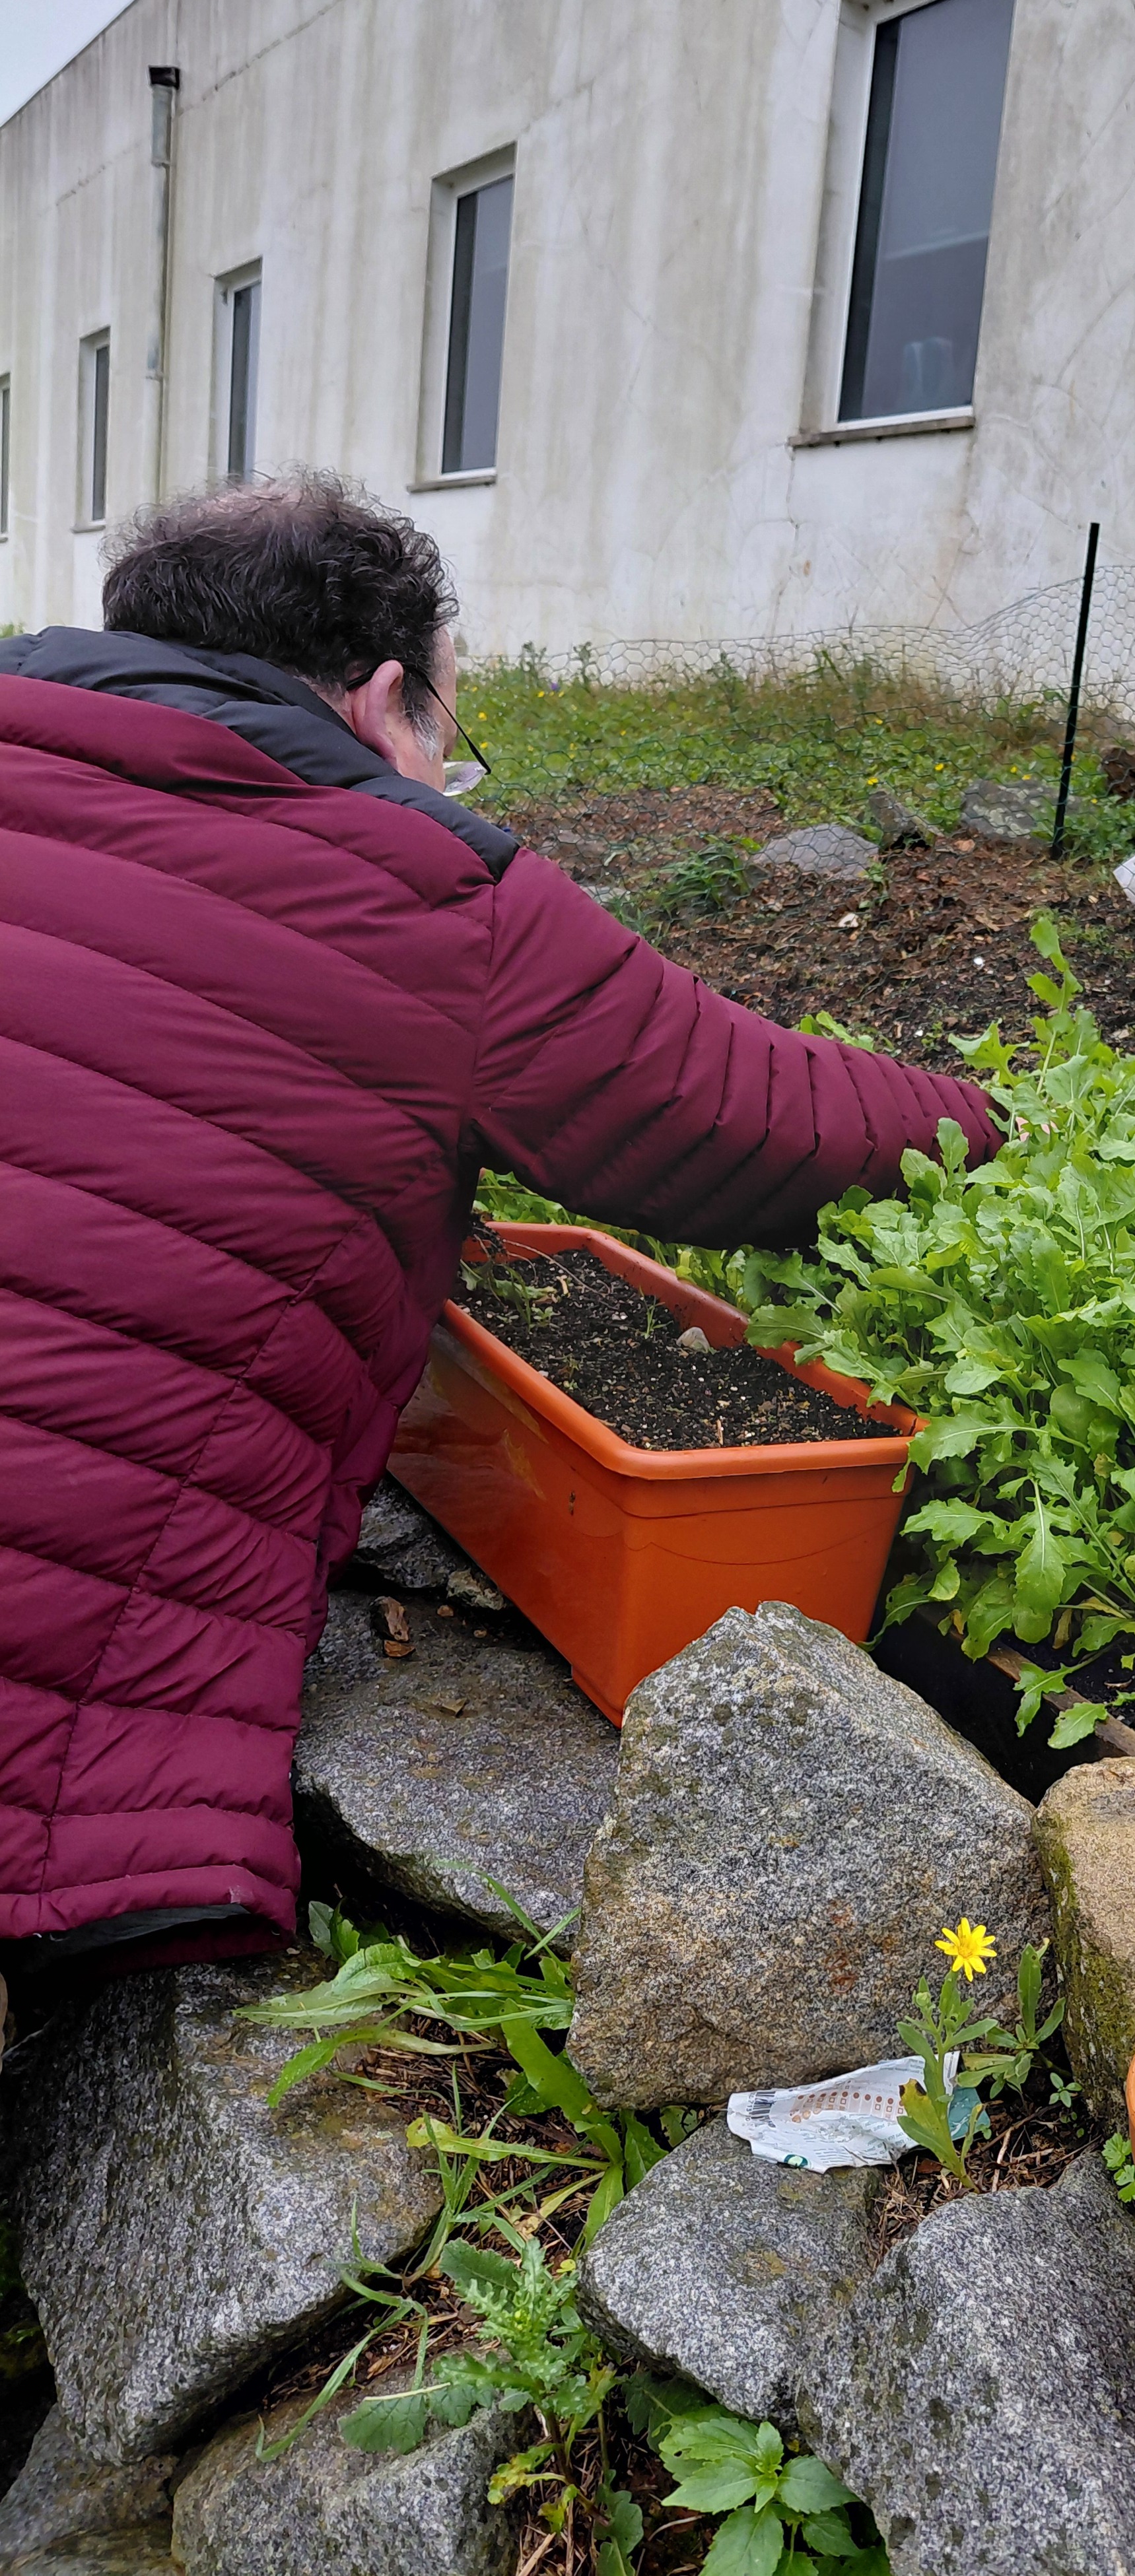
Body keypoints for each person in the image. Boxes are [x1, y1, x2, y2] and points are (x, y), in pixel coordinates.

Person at [0, 472, 998, 1977]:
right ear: (384, 694)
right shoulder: (426, 893)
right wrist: (1000, 1119)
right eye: (445, 733)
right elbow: (756, 1123)